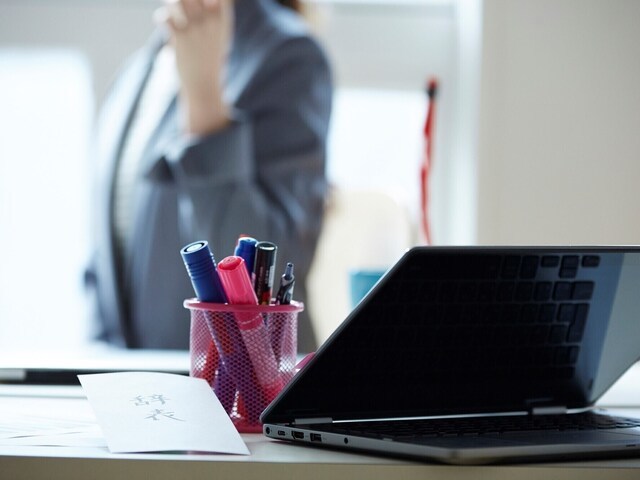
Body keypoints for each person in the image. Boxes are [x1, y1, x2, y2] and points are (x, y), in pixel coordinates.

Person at [85, 0, 332, 353]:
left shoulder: (290, 55)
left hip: (236, 384)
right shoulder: (138, 69)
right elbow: (104, 267)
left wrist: (203, 101)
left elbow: (268, 279)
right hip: (140, 383)